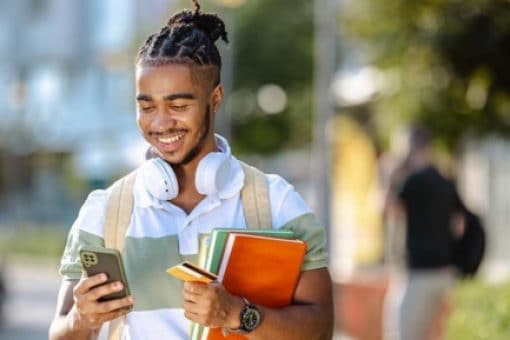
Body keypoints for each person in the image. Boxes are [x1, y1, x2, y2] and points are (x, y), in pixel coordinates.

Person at [48, 1, 333, 339]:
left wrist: (238, 314)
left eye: (179, 105)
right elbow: (60, 333)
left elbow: (321, 330)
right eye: (147, 106)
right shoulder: (104, 211)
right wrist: (82, 319)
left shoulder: (277, 204)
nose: (161, 122)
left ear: (215, 99)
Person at [382, 127, 464, 340]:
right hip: (447, 272)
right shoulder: (446, 180)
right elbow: (460, 224)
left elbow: (387, 210)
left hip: (417, 274)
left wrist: (391, 177)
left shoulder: (410, 181)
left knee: (401, 334)